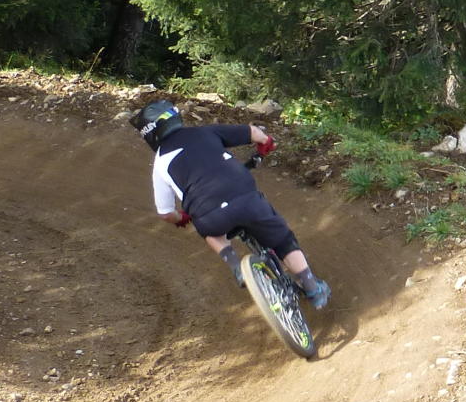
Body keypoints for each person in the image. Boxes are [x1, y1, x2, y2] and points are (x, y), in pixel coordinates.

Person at [130, 100, 331, 309]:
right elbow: (254, 133)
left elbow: (165, 212)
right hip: (246, 199)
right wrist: (266, 143)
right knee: (282, 240)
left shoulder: (160, 163)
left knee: (210, 231)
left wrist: (182, 218)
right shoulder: (205, 132)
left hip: (210, 215)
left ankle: (236, 267)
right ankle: (313, 288)